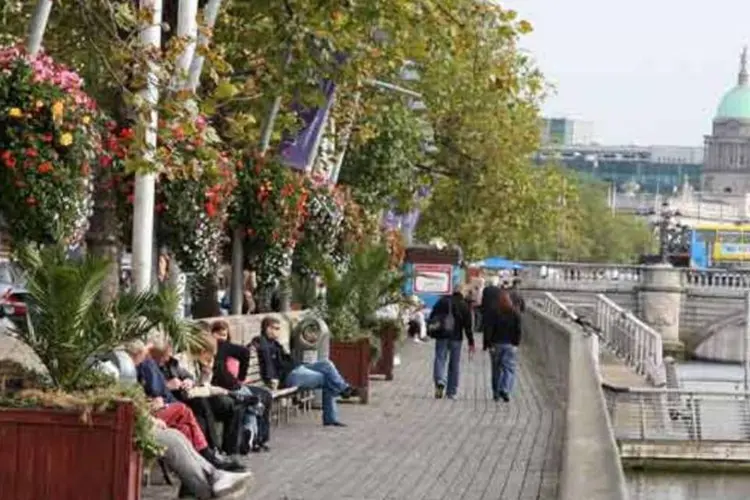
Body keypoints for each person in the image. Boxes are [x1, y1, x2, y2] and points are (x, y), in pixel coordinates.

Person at [98, 344, 253, 499]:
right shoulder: (121, 369)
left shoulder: (134, 367)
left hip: (145, 418)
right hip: (137, 425)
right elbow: (127, 405)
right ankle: (211, 485)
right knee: (180, 428)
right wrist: (149, 417)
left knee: (182, 432)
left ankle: (209, 477)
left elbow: (133, 402)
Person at [131, 338, 243, 472]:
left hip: (172, 401)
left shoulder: (169, 363)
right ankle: (210, 456)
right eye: (165, 356)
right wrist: (167, 387)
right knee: (187, 409)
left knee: (186, 428)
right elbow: (153, 391)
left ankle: (202, 470)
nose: (167, 359)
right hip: (165, 406)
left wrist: (189, 380)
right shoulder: (146, 364)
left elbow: (188, 376)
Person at [255, 316, 358, 426]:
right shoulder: (263, 342)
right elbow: (267, 361)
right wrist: (272, 378)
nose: (278, 332)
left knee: (326, 364)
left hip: (298, 368)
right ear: (267, 329)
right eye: (275, 328)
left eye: (279, 329)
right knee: (327, 379)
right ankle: (332, 414)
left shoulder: (275, 343)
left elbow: (286, 358)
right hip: (290, 376)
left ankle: (344, 388)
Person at [153, 335, 246, 456]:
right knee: (203, 404)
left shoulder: (175, 363)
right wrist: (168, 385)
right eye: (210, 354)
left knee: (234, 406)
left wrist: (193, 378)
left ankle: (230, 450)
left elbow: (194, 380)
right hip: (184, 398)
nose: (169, 358)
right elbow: (196, 390)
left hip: (195, 395)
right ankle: (212, 449)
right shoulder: (180, 360)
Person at [210, 320, 273, 453]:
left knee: (261, 397)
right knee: (253, 401)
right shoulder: (221, 347)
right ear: (211, 333)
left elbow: (244, 353)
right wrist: (241, 378)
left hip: (235, 385)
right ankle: (254, 438)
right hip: (230, 386)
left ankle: (254, 438)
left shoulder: (225, 347)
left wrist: (241, 378)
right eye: (218, 334)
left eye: (224, 335)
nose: (221, 339)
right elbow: (245, 353)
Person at [427, 286, 474, 399]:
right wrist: (471, 341)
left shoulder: (442, 301)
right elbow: (468, 326)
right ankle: (451, 391)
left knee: (440, 359)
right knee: (454, 364)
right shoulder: (464, 305)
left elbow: (432, 317)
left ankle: (440, 380)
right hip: (456, 338)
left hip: (442, 335)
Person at [484, 289, 523, 402]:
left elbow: (489, 329)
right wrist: (516, 344)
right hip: (509, 345)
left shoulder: (494, 312)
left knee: (496, 370)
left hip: (496, 344)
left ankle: (496, 393)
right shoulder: (515, 313)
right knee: (509, 369)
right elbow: (518, 330)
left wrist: (488, 344)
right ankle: (505, 388)